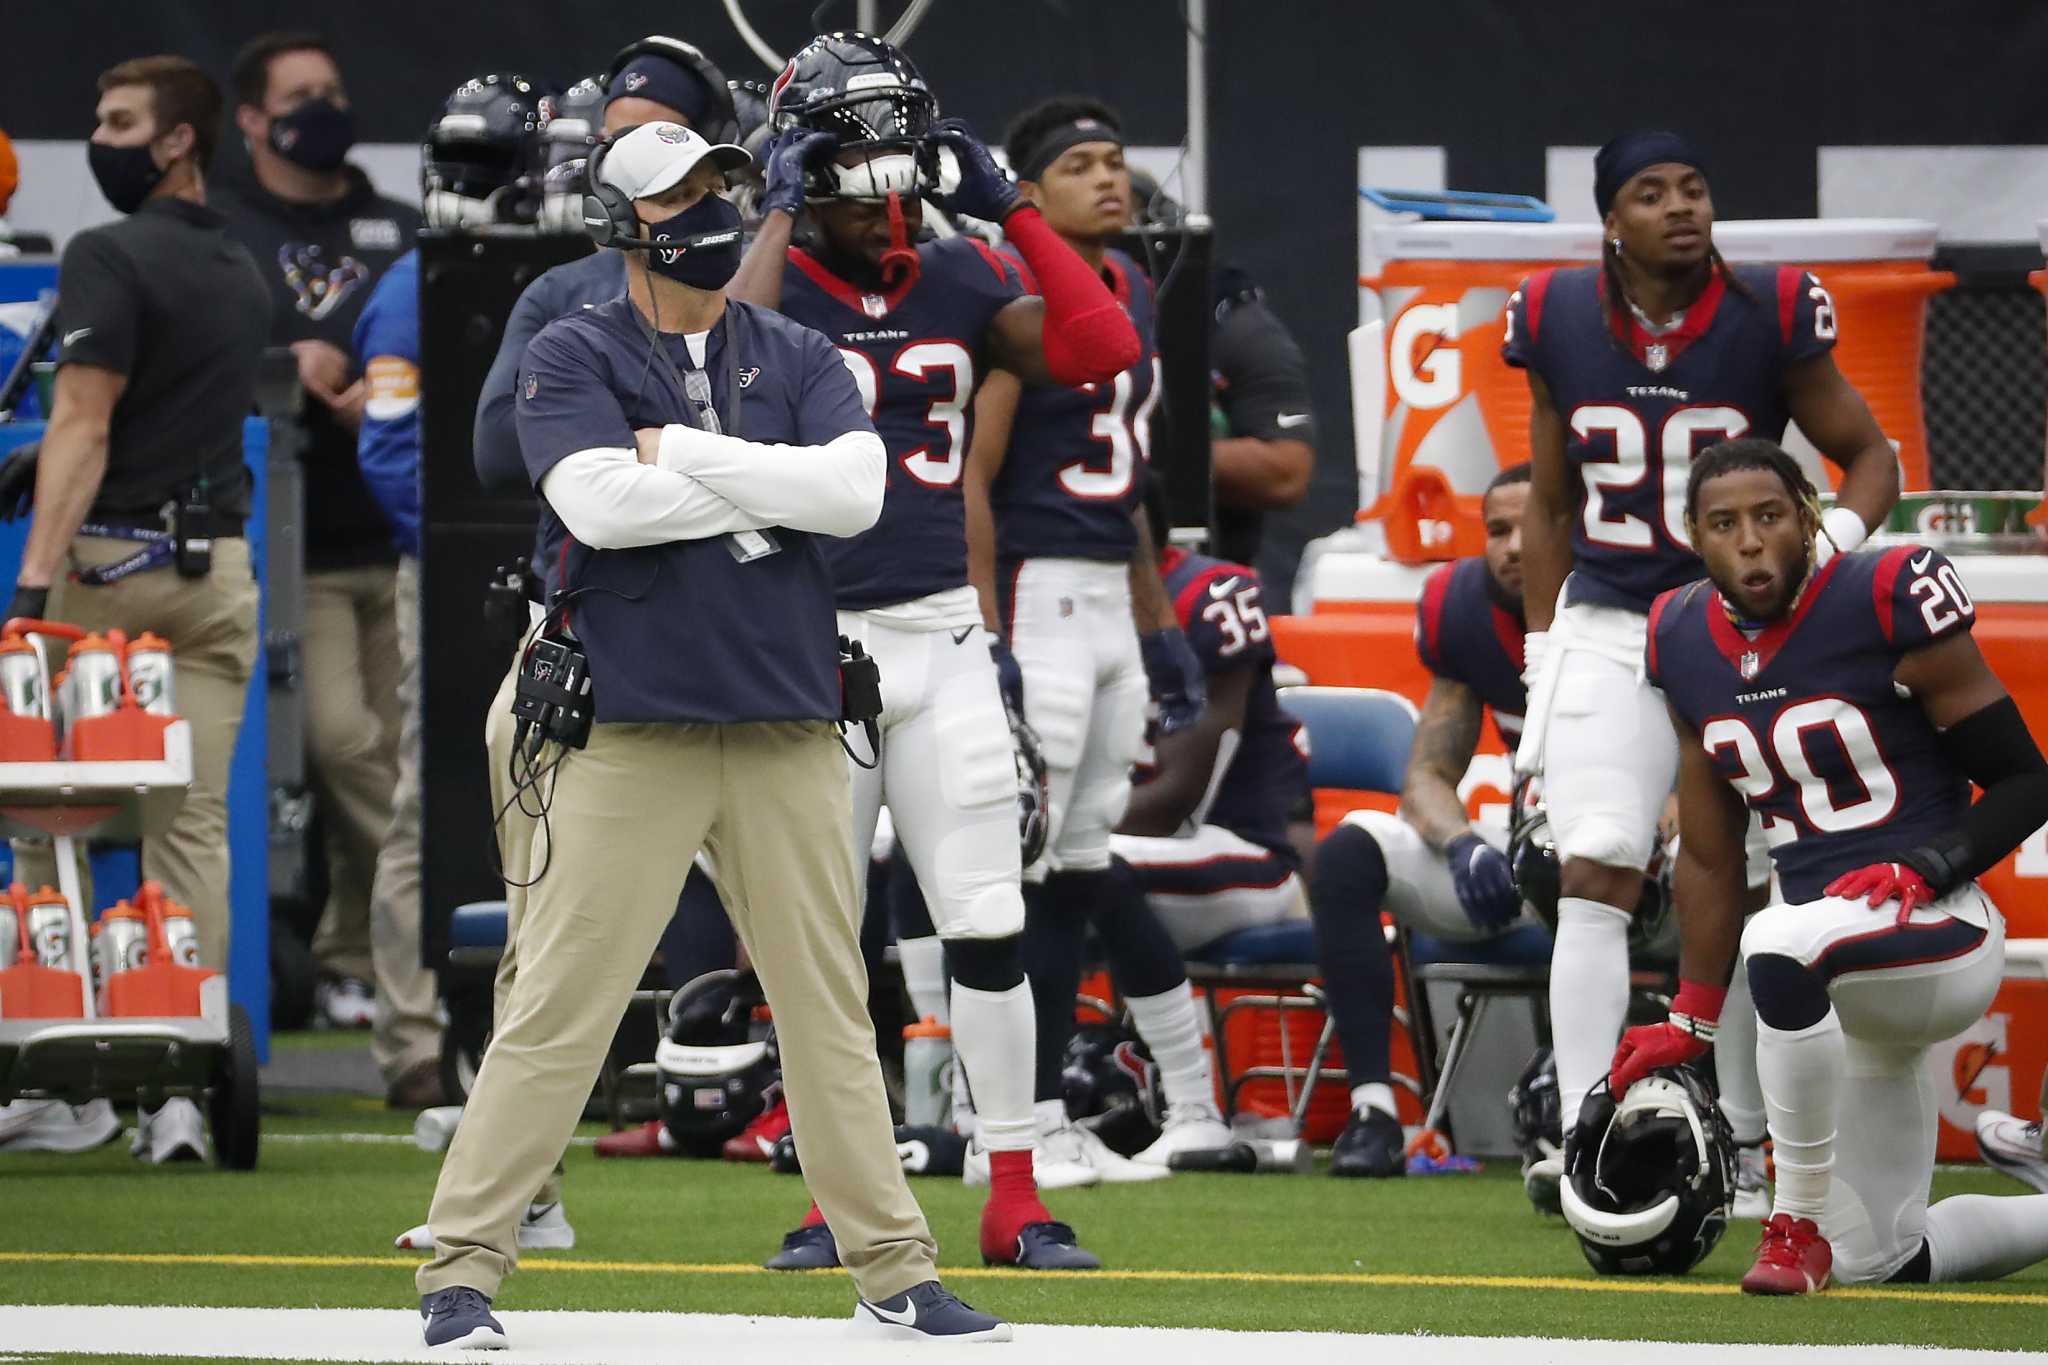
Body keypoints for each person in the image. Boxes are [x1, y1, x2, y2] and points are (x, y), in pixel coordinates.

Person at [412, 120, 1006, 1349]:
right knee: (560, 1003)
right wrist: (756, 471)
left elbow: (854, 494)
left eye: (721, 186)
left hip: (784, 711)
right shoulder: (571, 347)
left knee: (826, 1001)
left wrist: (677, 450)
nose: (711, 209)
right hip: (628, 717)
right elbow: (597, 507)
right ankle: (462, 1266)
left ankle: (893, 1266)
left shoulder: (795, 345)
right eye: (681, 193)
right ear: (625, 223)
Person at [730, 33, 1142, 1272]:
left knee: (985, 917)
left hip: (942, 637)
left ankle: (1011, 1189)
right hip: (806, 645)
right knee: (815, 937)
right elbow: (717, 368)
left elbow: (1102, 347)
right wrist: (779, 203)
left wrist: (1006, 201)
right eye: (850, 170)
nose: (879, 196)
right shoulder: (768, 283)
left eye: (893, 166)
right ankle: (834, 1194)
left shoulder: (961, 280)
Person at [390, 33, 743, 1255]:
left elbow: (838, 468)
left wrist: (639, 438)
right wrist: (691, 447)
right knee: (544, 926)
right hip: (591, 640)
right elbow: (501, 455)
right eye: (619, 149)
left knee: (816, 945)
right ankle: (516, 1190)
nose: (638, 174)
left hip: (760, 651)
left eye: (669, 151)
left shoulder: (771, 300)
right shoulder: (566, 296)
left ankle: (869, 1214)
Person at [1505, 130, 1901, 1177]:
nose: (1680, 206)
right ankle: (1586, 1129)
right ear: (1608, 220)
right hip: (1606, 617)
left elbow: (1869, 456)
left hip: (1733, 628)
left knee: (1751, 881)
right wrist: (1542, 648)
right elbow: (1548, 501)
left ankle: (1743, 1131)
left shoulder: (1769, 305)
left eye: (1693, 186)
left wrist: (1825, 560)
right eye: (1650, 192)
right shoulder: (1549, 313)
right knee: (1592, 861)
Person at [1609, 437, 2048, 1294]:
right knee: (1884, 1257)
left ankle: (1793, 1220)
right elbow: (1708, 851)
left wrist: (1929, 865)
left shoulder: (1883, 595)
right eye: (1724, 523)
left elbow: (2029, 779)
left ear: (1808, 515)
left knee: (1779, 936)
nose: (1749, 541)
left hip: (1938, 927)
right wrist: (1692, 1016)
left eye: (1769, 516)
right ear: (1693, 536)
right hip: (1826, 974)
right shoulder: (1678, 636)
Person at [1, 55, 269, 1162]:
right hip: (218, 578)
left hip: (104, 577)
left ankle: (65, 1088)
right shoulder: (243, 261)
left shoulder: (105, 253)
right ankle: (181, 1090)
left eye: (118, 120)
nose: (101, 137)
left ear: (174, 141)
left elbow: (86, 424)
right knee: (190, 826)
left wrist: (29, 588)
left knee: (42, 813)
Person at [961, 94, 1207, 1185]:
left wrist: (1160, 626)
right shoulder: (1012, 289)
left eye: (1117, 159)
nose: (1109, 178)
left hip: (1107, 588)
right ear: (1028, 186)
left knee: (1074, 864)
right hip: (1033, 589)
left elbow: (1134, 488)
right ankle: (995, 1125)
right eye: (1080, 165)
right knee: (1016, 868)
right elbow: (971, 471)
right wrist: (983, 630)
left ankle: (1044, 1109)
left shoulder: (1136, 289)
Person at [349, 76, 564, 1126]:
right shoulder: (409, 285)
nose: (466, 194)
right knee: (422, 803)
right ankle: (415, 1041)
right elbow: (392, 446)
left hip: (566, 562)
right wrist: (431, 548)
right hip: (442, 567)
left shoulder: (587, 274)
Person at [214, 31, 420, 1047]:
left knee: (400, 752)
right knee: (346, 744)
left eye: (335, 91)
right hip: (283, 545)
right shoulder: (221, 224)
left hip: (399, 535)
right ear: (251, 117)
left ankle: (353, 961)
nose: (323, 109)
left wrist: (386, 397)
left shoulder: (395, 222)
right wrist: (275, 362)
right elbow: (194, 346)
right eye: (301, 96)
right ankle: (403, 956)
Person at [1303, 464, 1539, 1178]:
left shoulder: (1633, 606)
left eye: (1534, 527)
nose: (1514, 547)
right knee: (1347, 853)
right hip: (1538, 852)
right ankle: (1375, 1108)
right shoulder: (1468, 610)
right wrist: (1464, 843)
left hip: (1628, 866)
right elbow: (1428, 774)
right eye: (1498, 529)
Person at [1088, 472, 1308, 1166]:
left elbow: (1183, 795)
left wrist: (1056, 833)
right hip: (1137, 847)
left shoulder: (1212, 594)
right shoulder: (1063, 605)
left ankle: (1194, 1105)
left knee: (1087, 870)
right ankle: (1001, 1110)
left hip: (1241, 850)